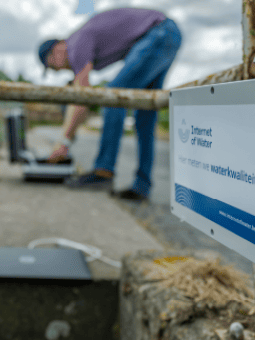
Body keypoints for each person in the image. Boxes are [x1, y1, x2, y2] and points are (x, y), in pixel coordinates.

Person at [38, 7, 181, 200]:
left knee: (112, 96)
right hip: (166, 34)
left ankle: (103, 171)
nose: (58, 70)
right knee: (145, 112)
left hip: (157, 33)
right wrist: (65, 139)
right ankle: (142, 185)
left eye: (52, 65)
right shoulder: (80, 42)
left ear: (56, 49)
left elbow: (82, 101)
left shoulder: (75, 45)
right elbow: (80, 99)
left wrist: (64, 142)